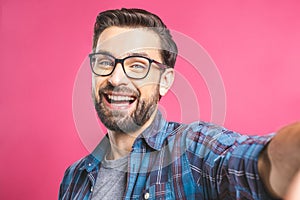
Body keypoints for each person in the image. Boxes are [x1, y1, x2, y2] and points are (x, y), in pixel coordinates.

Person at [59, 8, 300, 199]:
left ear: (164, 81)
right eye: (104, 62)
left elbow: (258, 160)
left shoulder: (192, 149)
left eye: (137, 65)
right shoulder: (75, 177)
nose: (115, 78)